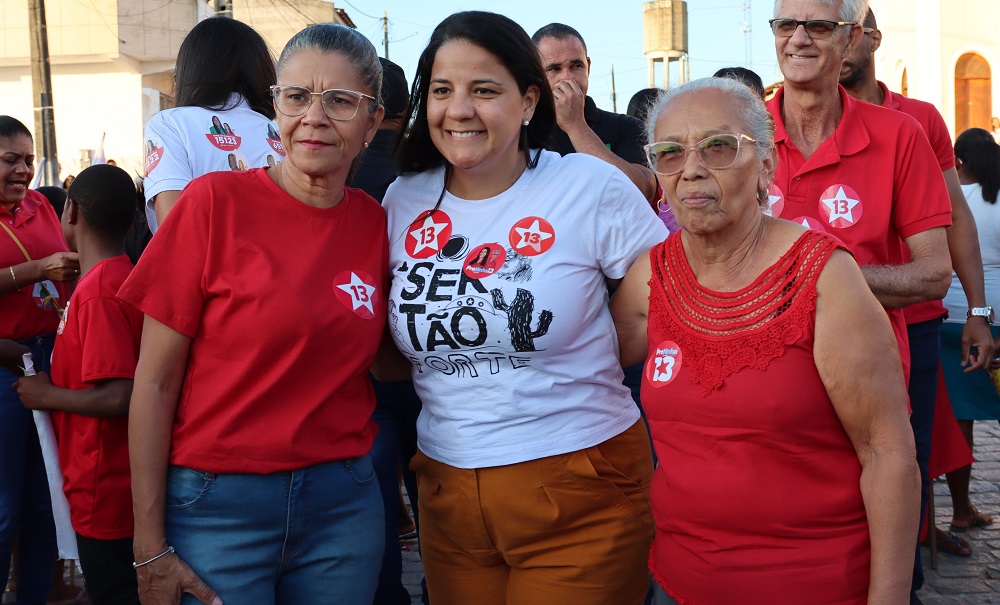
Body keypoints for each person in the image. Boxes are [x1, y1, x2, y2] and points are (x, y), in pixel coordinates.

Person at [380, 11, 666, 605]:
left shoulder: (589, 186)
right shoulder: (403, 199)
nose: (458, 109)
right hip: (448, 491)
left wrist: (577, 358)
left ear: (529, 100)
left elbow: (653, 304)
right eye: (441, 90)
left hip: (581, 485)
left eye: (484, 90)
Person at [612, 76, 920, 605]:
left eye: (718, 147)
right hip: (679, 581)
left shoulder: (826, 278)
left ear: (765, 168)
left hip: (813, 584)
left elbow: (887, 454)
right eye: (669, 153)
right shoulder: (651, 276)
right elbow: (584, 364)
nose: (691, 169)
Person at [118, 23, 388, 605]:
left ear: (372, 122)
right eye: (296, 97)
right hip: (216, 508)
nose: (314, 117)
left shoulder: (379, 223)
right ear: (276, 108)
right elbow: (155, 381)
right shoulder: (211, 204)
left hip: (343, 503)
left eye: (340, 101)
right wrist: (149, 545)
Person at [765, 2, 953, 599]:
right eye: (785, 25)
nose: (798, 39)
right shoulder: (737, 136)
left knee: (886, 559)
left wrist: (818, 274)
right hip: (762, 388)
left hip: (865, 391)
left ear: (849, 39)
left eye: (817, 26)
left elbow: (932, 275)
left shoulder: (900, 135)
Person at [840, 6, 996, 565]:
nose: (824, 41)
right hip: (828, 324)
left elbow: (956, 216)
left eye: (841, 29)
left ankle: (904, 576)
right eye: (797, 27)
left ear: (869, 38)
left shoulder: (920, 119)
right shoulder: (787, 120)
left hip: (918, 321)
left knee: (912, 453)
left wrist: (978, 310)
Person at [14, 164, 142, 605]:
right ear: (132, 221)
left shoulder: (100, 292)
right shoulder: (112, 278)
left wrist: (46, 395)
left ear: (70, 213)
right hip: (105, 484)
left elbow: (120, 395)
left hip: (104, 487)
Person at [349, 55, 423, 605]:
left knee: (372, 506)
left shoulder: (341, 170)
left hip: (361, 366)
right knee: (435, 498)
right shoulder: (428, 170)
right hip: (428, 361)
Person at [0, 115, 79, 605]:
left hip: (47, 362)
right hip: (4, 367)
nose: (24, 170)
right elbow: (44, 267)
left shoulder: (38, 206)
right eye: (11, 160)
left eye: (29, 160)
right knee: (5, 508)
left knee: (45, 501)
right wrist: (36, 269)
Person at [143, 17, 279, 233]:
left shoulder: (169, 124)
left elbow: (173, 231)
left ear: (190, 71)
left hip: (206, 265)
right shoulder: (281, 133)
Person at [941, 128, 1000, 534]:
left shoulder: (948, 201)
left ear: (956, 160)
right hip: (996, 317)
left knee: (959, 416)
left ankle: (961, 509)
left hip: (953, 319)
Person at [532, 23, 657, 203]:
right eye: (554, 69)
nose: (567, 78)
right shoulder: (522, 132)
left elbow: (643, 191)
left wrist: (576, 127)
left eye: (576, 66)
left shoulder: (625, 126)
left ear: (588, 66)